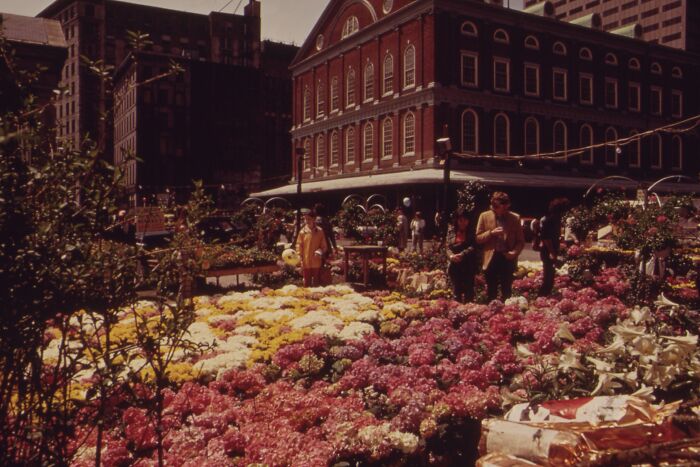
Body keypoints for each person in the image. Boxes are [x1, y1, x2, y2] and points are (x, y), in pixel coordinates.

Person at [476, 192, 525, 301]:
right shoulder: (484, 216)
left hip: (507, 258)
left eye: (506, 208)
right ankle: (491, 314)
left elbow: (521, 241)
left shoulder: (515, 218)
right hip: (491, 258)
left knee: (507, 290)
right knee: (491, 291)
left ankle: (506, 313)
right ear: (494, 206)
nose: (504, 210)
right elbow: (478, 238)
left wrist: (514, 253)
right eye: (501, 208)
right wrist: (491, 233)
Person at [539, 198, 570, 296]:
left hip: (551, 250)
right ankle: (542, 294)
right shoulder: (549, 220)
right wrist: (552, 253)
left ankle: (546, 293)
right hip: (547, 251)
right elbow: (546, 238)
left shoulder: (556, 220)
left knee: (551, 274)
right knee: (548, 274)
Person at [446, 207, 478, 303]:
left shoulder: (473, 232)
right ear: (457, 221)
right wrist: (451, 256)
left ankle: (469, 311)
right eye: (460, 220)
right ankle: (457, 311)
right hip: (455, 264)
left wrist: (462, 254)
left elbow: (474, 246)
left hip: (468, 264)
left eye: (465, 220)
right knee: (456, 290)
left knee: (469, 291)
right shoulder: (451, 231)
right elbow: (447, 247)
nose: (463, 222)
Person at [296, 208, 328, 287]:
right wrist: (299, 256)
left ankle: (316, 297)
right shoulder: (302, 232)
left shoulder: (320, 231)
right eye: (305, 219)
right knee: (306, 281)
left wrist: (320, 251)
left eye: (309, 219)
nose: (307, 221)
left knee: (316, 281)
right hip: (306, 261)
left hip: (316, 261)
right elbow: (298, 245)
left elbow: (324, 246)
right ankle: (306, 298)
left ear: (314, 219)